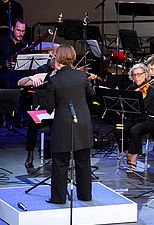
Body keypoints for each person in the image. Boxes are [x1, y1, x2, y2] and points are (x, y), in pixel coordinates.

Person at [45, 45, 93, 204]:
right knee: (83, 161)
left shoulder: (54, 79)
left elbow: (49, 107)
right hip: (83, 122)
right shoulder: (81, 76)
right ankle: (85, 195)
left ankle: (58, 199)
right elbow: (90, 95)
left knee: (60, 162)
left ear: (58, 58)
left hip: (63, 124)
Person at [114, 63, 154, 173]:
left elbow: (142, 107)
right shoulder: (132, 88)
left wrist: (135, 97)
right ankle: (129, 155)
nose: (137, 77)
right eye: (134, 75)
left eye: (139, 74)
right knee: (118, 129)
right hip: (135, 118)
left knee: (135, 130)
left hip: (149, 119)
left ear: (145, 75)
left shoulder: (150, 90)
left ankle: (133, 162)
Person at [17, 51, 59, 168]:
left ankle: (56, 154)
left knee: (60, 124)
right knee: (33, 123)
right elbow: (21, 83)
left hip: (57, 110)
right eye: (55, 57)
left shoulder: (62, 73)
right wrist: (32, 78)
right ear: (51, 56)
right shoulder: (43, 70)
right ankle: (30, 154)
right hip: (44, 108)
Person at [0, 18, 30, 88]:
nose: (21, 34)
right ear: (12, 28)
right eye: (18, 30)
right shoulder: (2, 41)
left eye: (23, 31)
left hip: (21, 74)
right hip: (5, 74)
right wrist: (4, 66)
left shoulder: (26, 44)